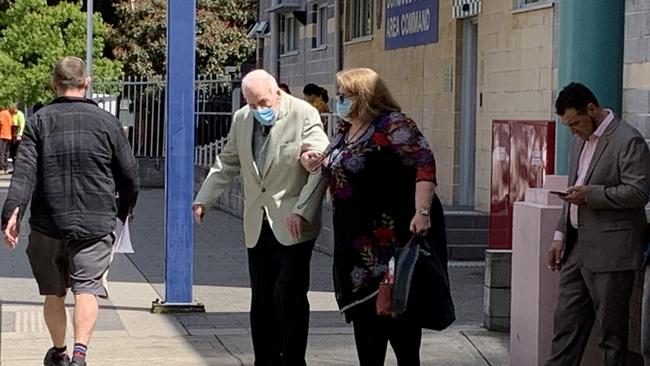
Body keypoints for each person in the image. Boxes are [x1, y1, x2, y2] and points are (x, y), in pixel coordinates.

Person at [301, 68, 446, 366]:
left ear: (364, 96)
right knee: (366, 333)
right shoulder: (345, 128)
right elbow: (332, 161)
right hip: (353, 248)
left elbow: (424, 166)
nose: (339, 101)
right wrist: (314, 160)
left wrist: (422, 212)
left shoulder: (394, 124)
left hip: (391, 244)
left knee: (400, 325)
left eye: (345, 95)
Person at [1, 56, 139, 366]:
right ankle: (80, 354)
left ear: (54, 84)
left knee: (54, 292)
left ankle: (59, 352)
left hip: (48, 222)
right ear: (86, 83)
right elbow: (129, 175)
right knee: (87, 288)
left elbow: (23, 173)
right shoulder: (107, 122)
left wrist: (12, 212)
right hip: (96, 220)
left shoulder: (38, 121)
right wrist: (125, 209)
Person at [193, 69, 329, 366]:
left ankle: (293, 359)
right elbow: (227, 161)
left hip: (293, 220)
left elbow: (319, 154)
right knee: (262, 297)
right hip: (257, 222)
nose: (259, 110)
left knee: (289, 295)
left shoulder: (303, 113)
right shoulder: (242, 119)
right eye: (252, 104)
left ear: (277, 93)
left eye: (264, 103)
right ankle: (264, 360)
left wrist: (309, 162)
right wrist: (205, 198)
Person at [546, 82, 650, 366]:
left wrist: (591, 195)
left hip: (613, 251)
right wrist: (559, 235)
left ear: (592, 109)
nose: (573, 130)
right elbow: (572, 189)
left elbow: (639, 192)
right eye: (568, 125)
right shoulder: (580, 140)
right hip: (577, 246)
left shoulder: (628, 140)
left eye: (575, 122)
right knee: (565, 325)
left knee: (611, 333)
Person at [0, 107, 12, 174]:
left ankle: (1, 167)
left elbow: (1, 122)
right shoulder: (9, 114)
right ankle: (6, 167)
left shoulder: (1, 113)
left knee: (1, 152)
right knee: (6, 152)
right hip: (8, 136)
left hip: (2, 135)